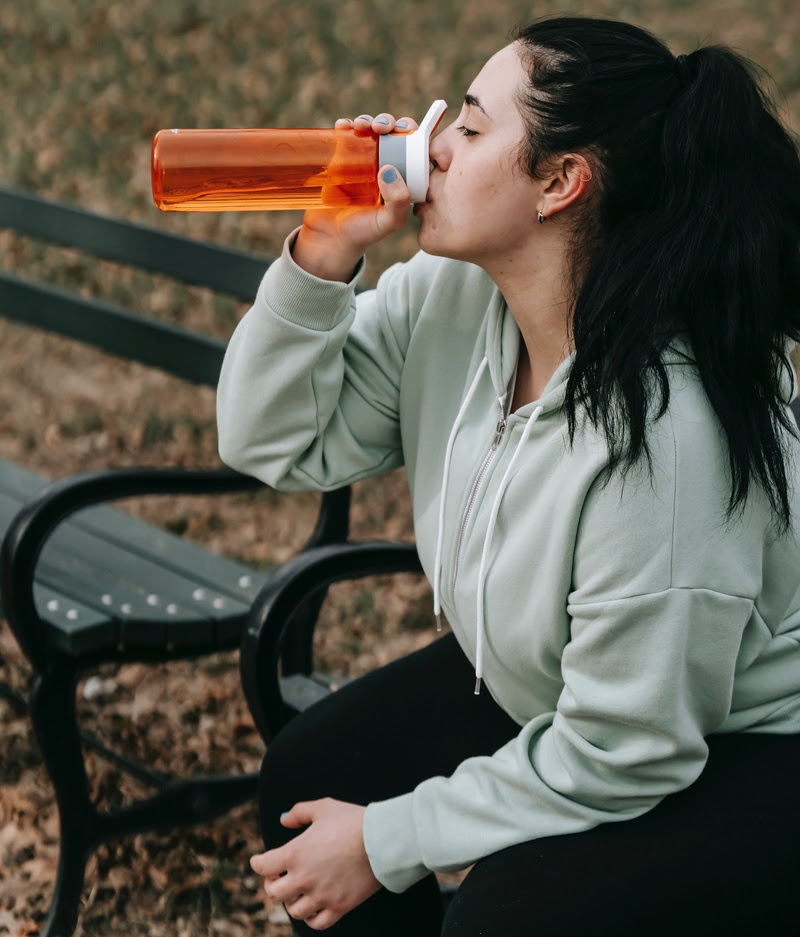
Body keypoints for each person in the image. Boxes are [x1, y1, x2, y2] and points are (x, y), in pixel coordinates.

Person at [216, 14, 800, 936]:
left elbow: (629, 746)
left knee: (505, 916)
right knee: (314, 775)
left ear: (561, 182)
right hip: (564, 680)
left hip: (740, 743)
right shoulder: (452, 299)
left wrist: (389, 838)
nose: (433, 146)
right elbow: (270, 438)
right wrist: (322, 256)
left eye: (472, 125)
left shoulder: (665, 433)